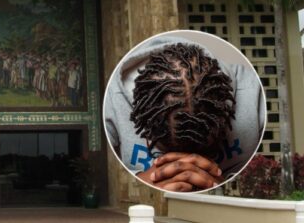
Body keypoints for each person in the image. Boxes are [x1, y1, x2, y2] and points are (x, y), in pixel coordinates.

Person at [104, 35, 264, 192]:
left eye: (207, 152)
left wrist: (225, 188)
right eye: (166, 153)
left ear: (226, 115)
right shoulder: (112, 98)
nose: (186, 168)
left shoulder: (254, 93)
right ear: (145, 130)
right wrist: (141, 182)